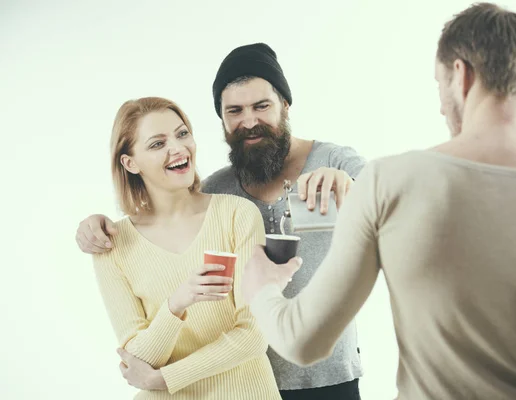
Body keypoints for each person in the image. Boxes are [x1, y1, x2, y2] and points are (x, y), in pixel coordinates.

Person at [241, 3, 516, 400]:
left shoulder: (390, 182)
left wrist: (262, 286)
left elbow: (303, 341)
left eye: (439, 85)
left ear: (461, 75)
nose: (441, 104)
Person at [76, 43, 365, 399]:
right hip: (246, 376)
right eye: (235, 111)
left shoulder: (333, 161)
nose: (249, 121)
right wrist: (98, 224)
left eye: (262, 106)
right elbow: (170, 209)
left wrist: (350, 186)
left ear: (285, 106)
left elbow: (391, 200)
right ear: (222, 119)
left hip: (324, 372)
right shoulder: (219, 189)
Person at [93, 96, 281, 399]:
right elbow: (137, 360)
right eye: (157, 144)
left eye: (182, 134)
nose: (178, 148)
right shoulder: (111, 245)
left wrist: (166, 378)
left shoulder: (237, 215)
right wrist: (177, 302)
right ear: (130, 163)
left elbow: (254, 334)